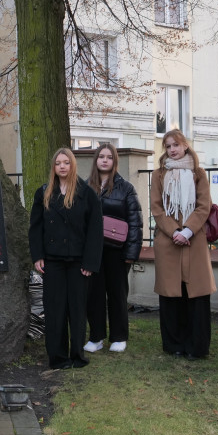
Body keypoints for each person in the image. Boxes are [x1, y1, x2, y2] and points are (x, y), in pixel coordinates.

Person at [28, 148, 103, 369]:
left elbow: (95, 230)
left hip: (79, 262)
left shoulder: (86, 193)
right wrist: (38, 255)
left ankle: (77, 355)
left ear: (72, 165)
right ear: (53, 166)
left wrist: (90, 262)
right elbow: (36, 227)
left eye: (66, 162)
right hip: (52, 261)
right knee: (55, 309)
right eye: (58, 163)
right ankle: (58, 357)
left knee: (77, 309)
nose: (62, 166)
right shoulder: (44, 193)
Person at [150, 129, 216, 359]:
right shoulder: (158, 175)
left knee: (196, 295)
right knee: (171, 295)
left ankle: (196, 346)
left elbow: (204, 206)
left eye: (176, 145)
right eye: (168, 146)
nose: (172, 150)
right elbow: (157, 208)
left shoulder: (198, 173)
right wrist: (174, 232)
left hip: (194, 240)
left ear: (185, 145)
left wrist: (187, 231)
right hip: (168, 241)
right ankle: (174, 344)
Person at [84, 143, 143, 354]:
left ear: (114, 161)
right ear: (96, 160)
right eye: (101, 156)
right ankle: (96, 337)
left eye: (109, 157)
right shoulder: (85, 186)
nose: (105, 160)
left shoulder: (126, 188)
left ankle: (119, 337)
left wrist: (131, 253)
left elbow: (135, 222)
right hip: (92, 251)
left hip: (117, 251)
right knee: (94, 295)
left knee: (117, 295)